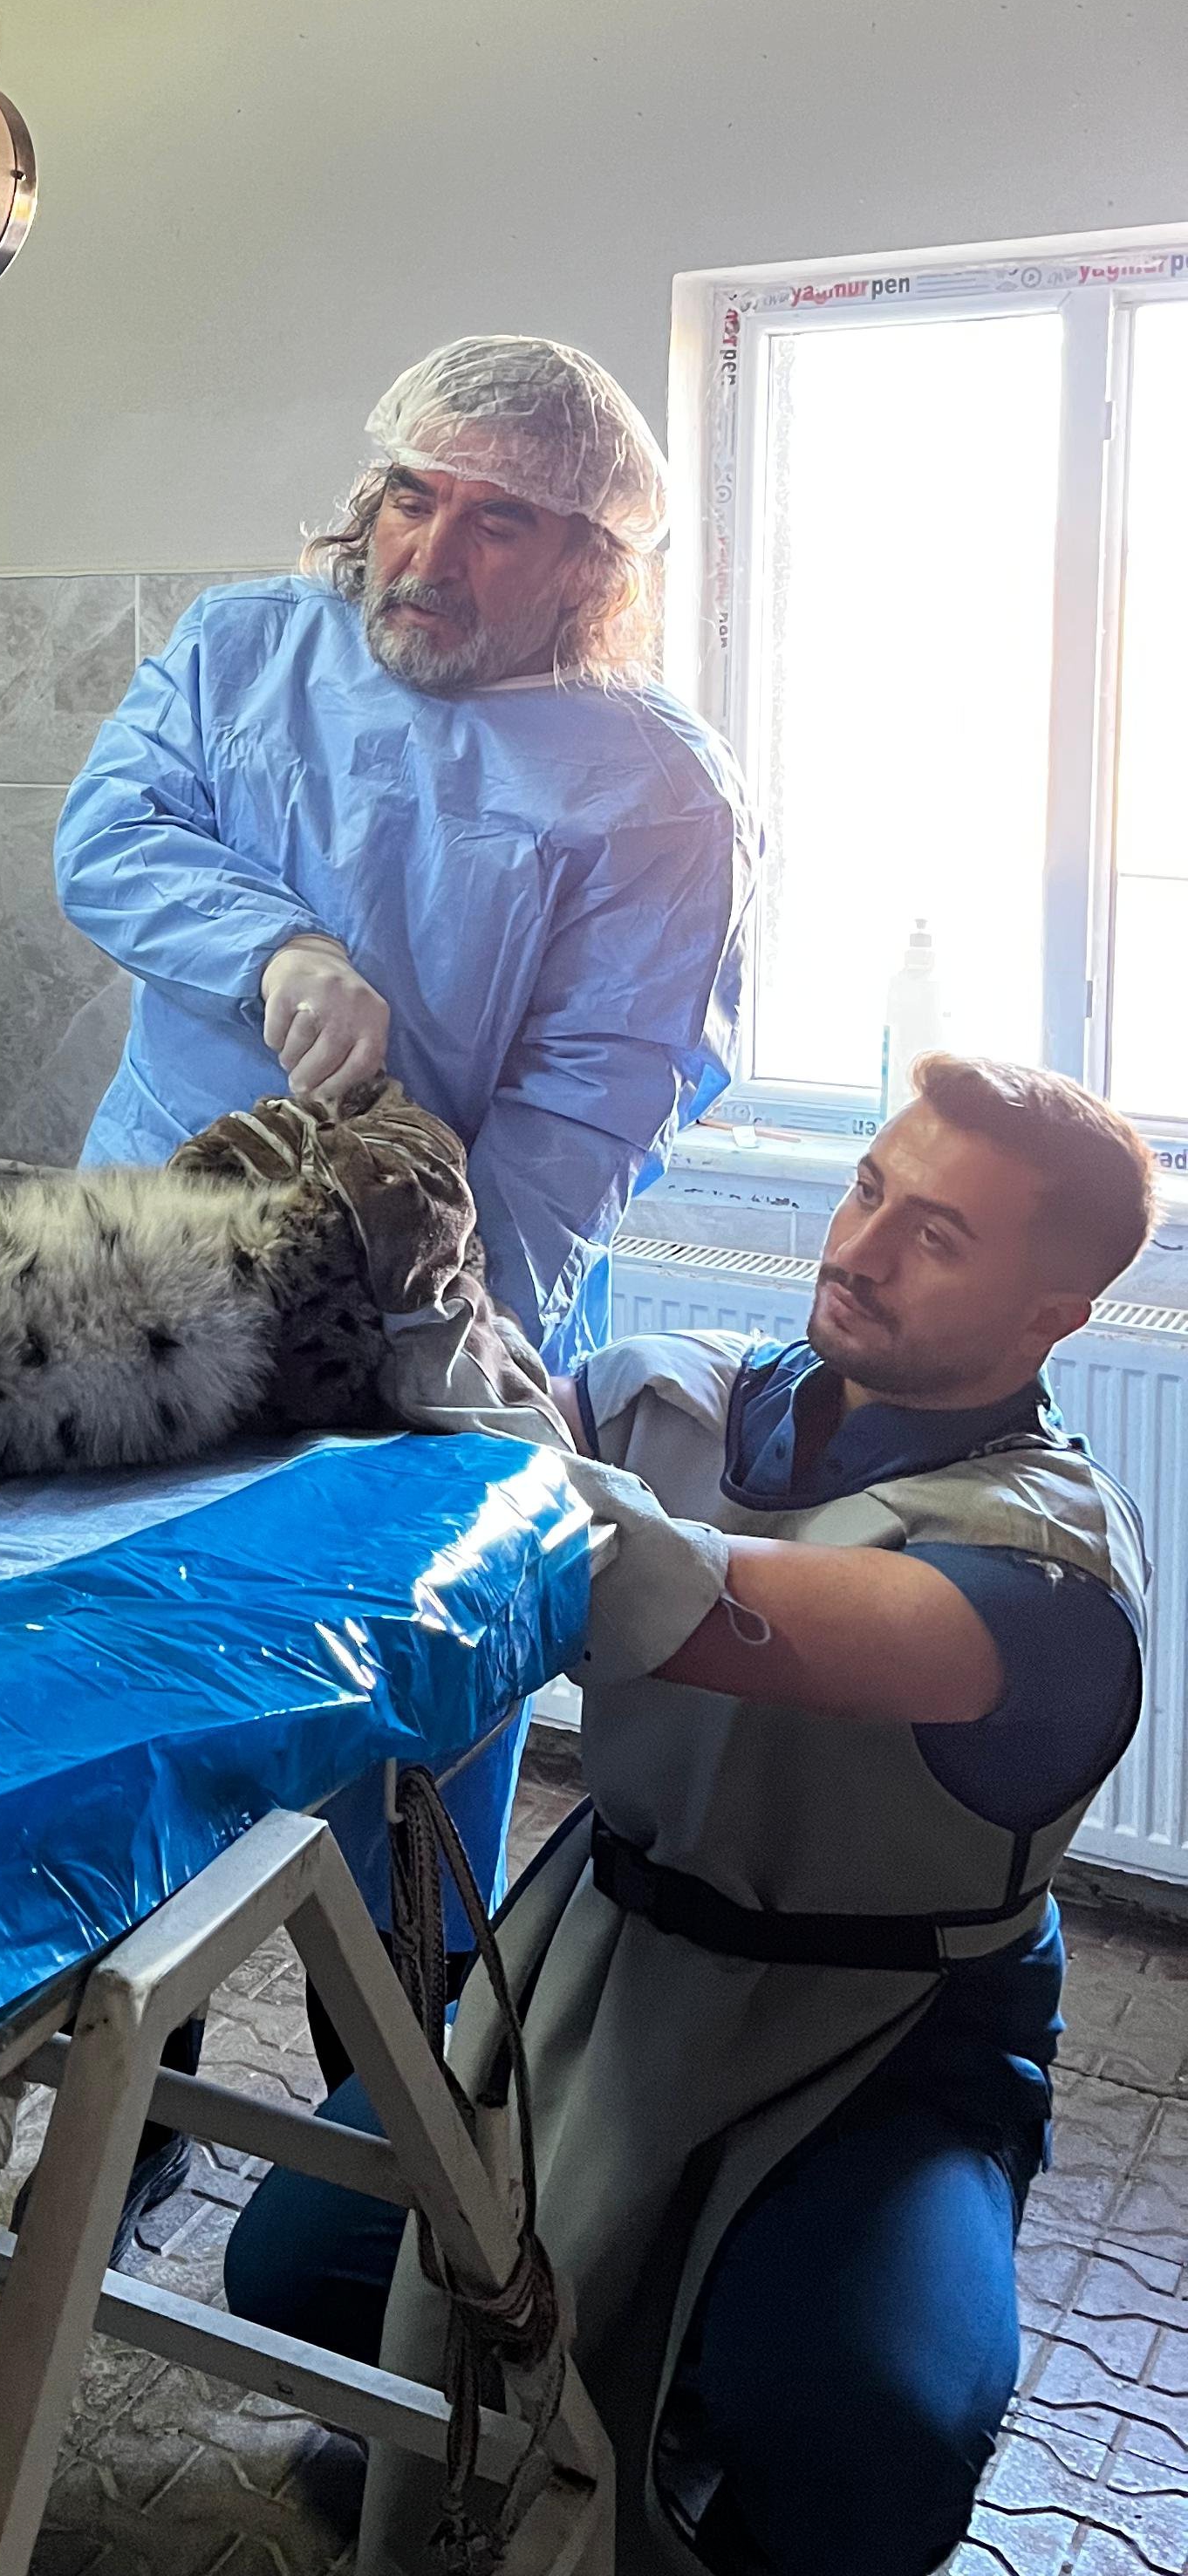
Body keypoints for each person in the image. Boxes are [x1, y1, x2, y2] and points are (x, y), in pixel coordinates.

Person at [230, 1059, 1152, 2576]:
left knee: (877, 2413)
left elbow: (686, 1598)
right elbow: (477, 1437)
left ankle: (719, 2460)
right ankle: (577, 2416)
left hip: (880, 2034)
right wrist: (336, 1300)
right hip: (603, 1961)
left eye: (936, 1235)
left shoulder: (1040, 1576)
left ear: (1054, 1311)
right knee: (292, 2266)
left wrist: (438, 1342)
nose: (859, 1249)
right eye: (868, 1189)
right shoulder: (684, 1396)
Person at [58, 336, 757, 1374]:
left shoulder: (658, 792)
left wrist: (453, 1332)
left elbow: (586, 1110)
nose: (431, 559)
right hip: (149, 1219)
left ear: (586, 565)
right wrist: (277, 949)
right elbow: (112, 834)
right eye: (413, 499)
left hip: (418, 1284)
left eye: (497, 521)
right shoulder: (243, 648)